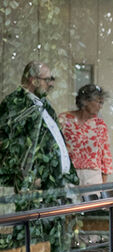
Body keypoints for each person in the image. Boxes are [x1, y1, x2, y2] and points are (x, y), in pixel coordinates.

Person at [0, 61, 78, 203]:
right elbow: (10, 143)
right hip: (35, 186)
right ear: (33, 80)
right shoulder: (16, 104)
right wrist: (27, 176)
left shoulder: (43, 103)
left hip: (56, 182)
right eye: (47, 79)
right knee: (34, 222)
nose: (51, 84)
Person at [60, 84, 112, 185]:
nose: (100, 106)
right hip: (68, 174)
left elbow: (106, 157)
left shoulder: (99, 125)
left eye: (102, 103)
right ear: (85, 101)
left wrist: (102, 186)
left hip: (93, 177)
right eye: (98, 102)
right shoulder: (64, 119)